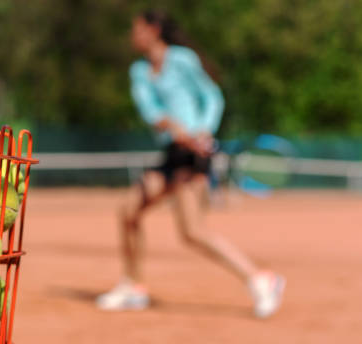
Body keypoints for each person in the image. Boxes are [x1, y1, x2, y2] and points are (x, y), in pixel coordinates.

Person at [96, 10, 285, 318]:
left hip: (193, 157)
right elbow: (150, 110)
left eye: (136, 29)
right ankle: (134, 286)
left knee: (193, 231)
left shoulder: (182, 60)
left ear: (153, 30)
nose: (132, 36)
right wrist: (170, 126)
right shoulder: (139, 71)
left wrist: (203, 130)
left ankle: (262, 279)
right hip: (172, 153)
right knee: (128, 211)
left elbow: (212, 96)